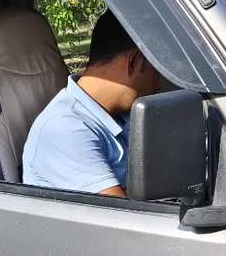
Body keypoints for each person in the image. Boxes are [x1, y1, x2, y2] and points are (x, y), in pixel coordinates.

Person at [22, 11, 160, 197]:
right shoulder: (64, 129)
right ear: (133, 62)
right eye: (157, 69)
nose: (158, 83)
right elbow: (121, 217)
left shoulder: (120, 114)